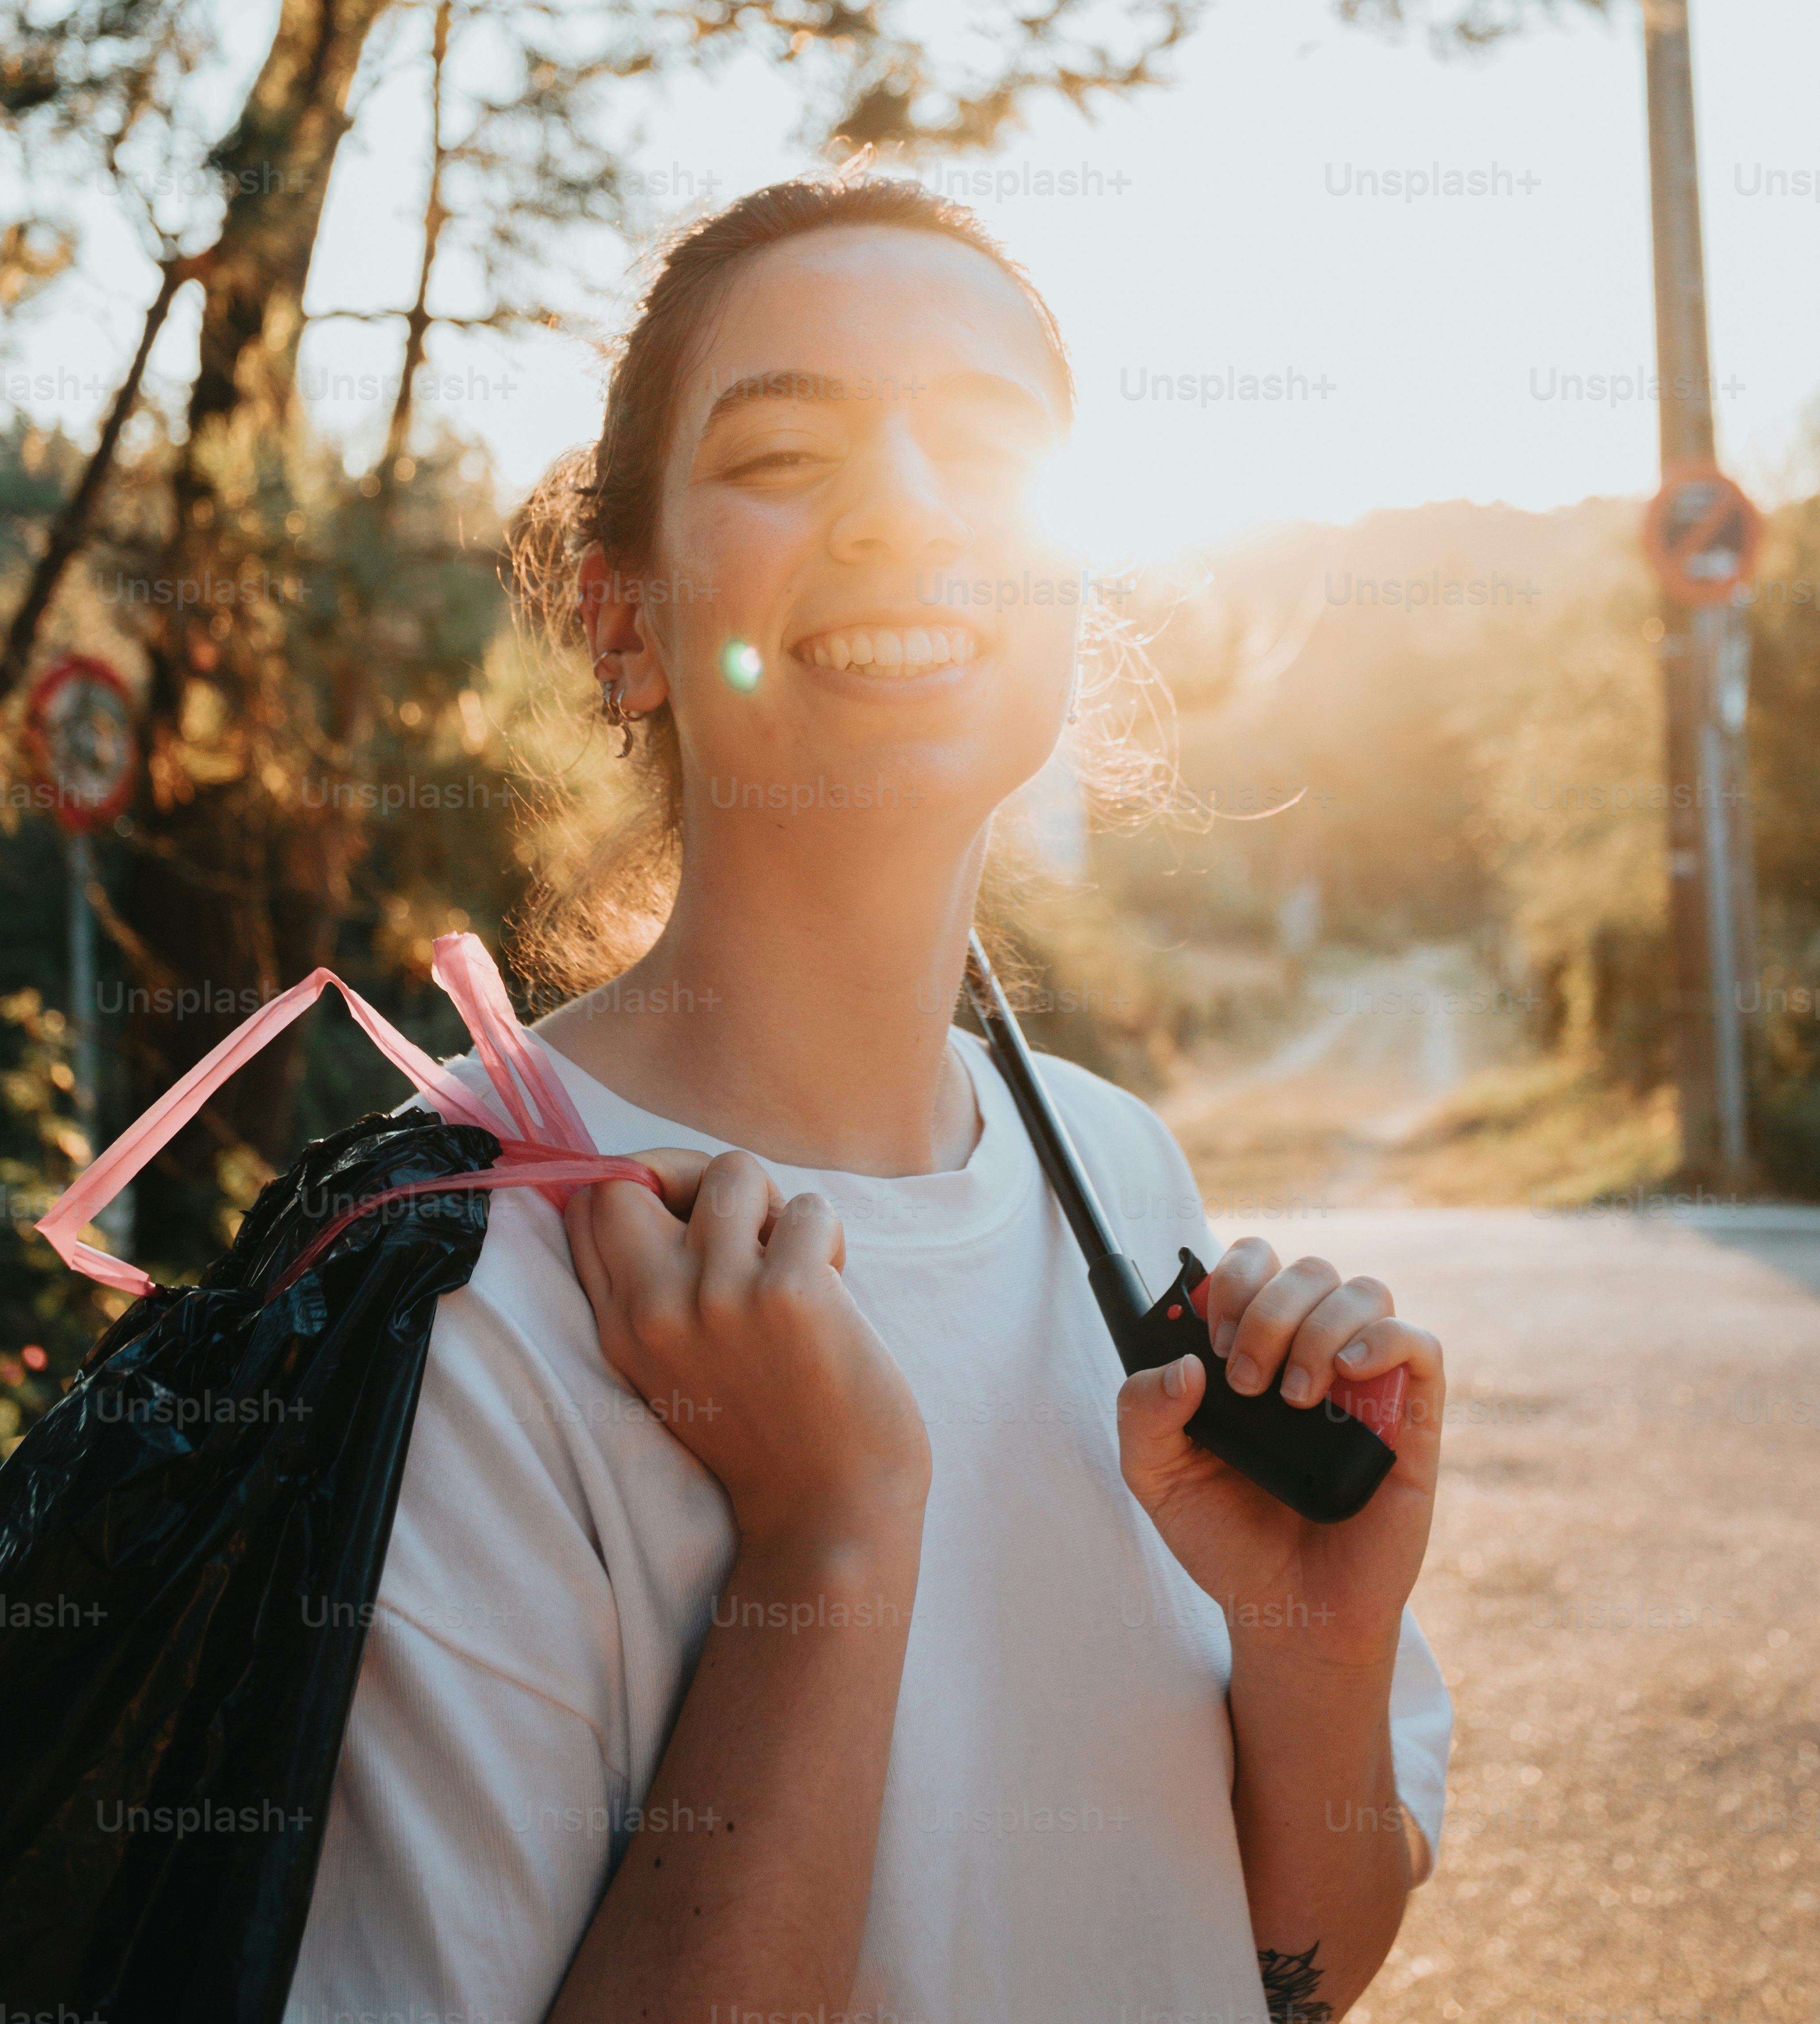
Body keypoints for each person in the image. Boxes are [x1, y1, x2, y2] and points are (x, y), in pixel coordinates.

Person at [285, 177, 1450, 2024]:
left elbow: (1288, 1968)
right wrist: (828, 1532)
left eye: (985, 445)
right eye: (782, 447)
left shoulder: (1119, 1173)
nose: (908, 508)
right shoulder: (469, 1285)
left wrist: (1317, 1640)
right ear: (626, 621)